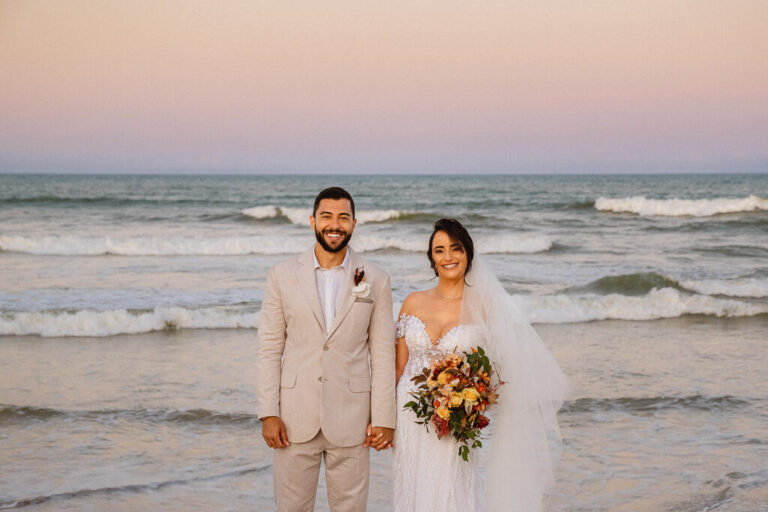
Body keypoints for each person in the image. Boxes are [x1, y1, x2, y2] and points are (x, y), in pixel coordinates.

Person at [392, 218, 568, 512]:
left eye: (455, 248)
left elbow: (500, 372)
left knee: (451, 492)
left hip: (454, 423)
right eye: (439, 250)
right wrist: (384, 420)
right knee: (411, 488)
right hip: (408, 419)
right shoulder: (412, 302)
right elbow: (397, 370)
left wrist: (471, 402)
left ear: (468, 253)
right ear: (431, 259)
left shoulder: (485, 307)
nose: (448, 257)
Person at [256, 187, 396, 512]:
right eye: (327, 217)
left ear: (354, 224)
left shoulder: (376, 278)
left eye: (343, 218)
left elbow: (384, 353)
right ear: (312, 221)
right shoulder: (281, 276)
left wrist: (385, 418)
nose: (335, 225)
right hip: (293, 419)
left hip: (353, 419)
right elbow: (269, 348)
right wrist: (269, 412)